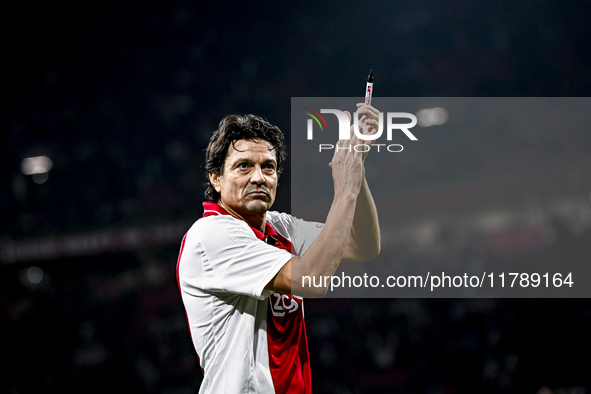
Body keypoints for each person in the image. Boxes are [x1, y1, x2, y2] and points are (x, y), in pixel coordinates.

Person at [177, 103, 381, 393]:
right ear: (216, 178)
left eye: (268, 167)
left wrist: (356, 170)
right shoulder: (211, 234)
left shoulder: (280, 227)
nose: (258, 177)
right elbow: (312, 279)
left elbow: (363, 246)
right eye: (243, 165)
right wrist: (345, 190)